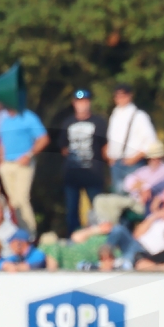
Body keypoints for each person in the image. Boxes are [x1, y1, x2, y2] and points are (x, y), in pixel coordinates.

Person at [55, 89, 109, 236]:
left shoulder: (99, 122)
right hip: (72, 174)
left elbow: (105, 147)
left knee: (98, 209)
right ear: (74, 103)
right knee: (72, 210)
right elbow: (63, 146)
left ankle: (101, 237)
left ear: (89, 103)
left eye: (85, 101)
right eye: (79, 102)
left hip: (93, 174)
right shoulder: (67, 122)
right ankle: (74, 238)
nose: (82, 105)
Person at [101, 188, 164, 269]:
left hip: (150, 253)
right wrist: (154, 217)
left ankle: (116, 265)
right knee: (119, 229)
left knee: (131, 257)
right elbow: (136, 234)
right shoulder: (157, 218)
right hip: (136, 244)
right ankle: (104, 258)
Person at [0, 102, 49, 235]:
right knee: (13, 202)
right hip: (7, 164)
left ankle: (30, 234)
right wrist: (1, 161)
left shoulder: (28, 116)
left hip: (23, 165)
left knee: (21, 199)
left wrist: (29, 154)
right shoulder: (3, 118)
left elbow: (43, 138)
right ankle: (18, 234)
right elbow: (2, 141)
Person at [106, 83, 158, 193]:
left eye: (123, 95)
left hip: (133, 164)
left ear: (130, 96)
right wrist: (110, 157)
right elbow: (111, 139)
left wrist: (135, 158)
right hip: (116, 164)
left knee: (134, 197)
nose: (120, 98)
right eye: (117, 95)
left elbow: (151, 141)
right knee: (118, 198)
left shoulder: (139, 116)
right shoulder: (114, 115)